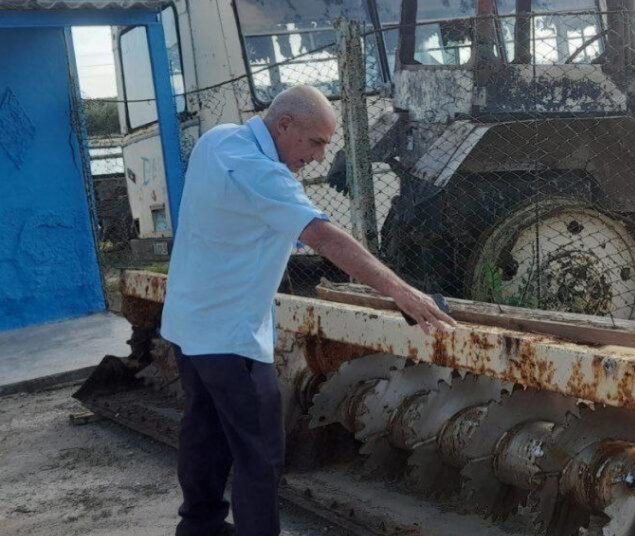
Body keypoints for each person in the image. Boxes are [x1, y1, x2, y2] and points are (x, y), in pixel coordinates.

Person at [159, 85, 455, 536]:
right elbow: (326, 238)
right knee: (259, 452)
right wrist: (403, 293)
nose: (318, 158)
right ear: (283, 126)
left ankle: (198, 527)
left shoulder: (217, 140)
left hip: (187, 325)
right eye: (315, 142)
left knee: (205, 432)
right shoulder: (263, 175)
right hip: (229, 338)